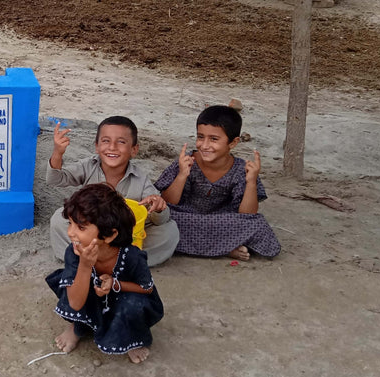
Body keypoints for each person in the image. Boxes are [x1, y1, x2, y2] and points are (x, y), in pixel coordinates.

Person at [46, 183, 164, 364]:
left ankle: (133, 338)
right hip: (90, 299)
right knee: (69, 283)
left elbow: (146, 288)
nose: (70, 233)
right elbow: (75, 303)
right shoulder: (75, 252)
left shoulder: (132, 256)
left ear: (109, 235)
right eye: (70, 224)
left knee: (133, 305)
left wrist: (116, 284)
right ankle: (78, 327)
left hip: (123, 300)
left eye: (81, 227)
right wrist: (85, 266)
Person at [47, 116, 179, 266]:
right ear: (96, 146)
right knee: (59, 219)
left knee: (170, 231)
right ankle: (84, 259)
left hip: (125, 235)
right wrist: (58, 152)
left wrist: (158, 206)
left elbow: (161, 219)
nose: (112, 147)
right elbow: (55, 179)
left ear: (134, 150)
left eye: (121, 142)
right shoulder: (87, 166)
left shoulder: (140, 179)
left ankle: (120, 262)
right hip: (91, 231)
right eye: (106, 141)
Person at [154, 105, 281, 260]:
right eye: (200, 137)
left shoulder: (242, 169)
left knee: (257, 224)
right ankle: (225, 248)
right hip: (185, 217)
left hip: (222, 221)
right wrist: (182, 175)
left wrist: (251, 182)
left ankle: (212, 247)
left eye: (214, 139)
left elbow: (247, 215)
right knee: (160, 217)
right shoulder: (187, 161)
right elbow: (166, 202)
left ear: (233, 143)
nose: (205, 145)